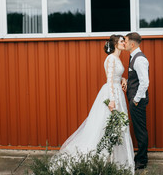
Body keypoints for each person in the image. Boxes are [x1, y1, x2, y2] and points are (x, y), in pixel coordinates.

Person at [52, 35, 135, 173]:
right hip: (111, 94)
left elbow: (115, 76)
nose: (124, 43)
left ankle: (116, 159)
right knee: (104, 126)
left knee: (116, 127)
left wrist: (123, 78)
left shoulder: (117, 58)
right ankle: (96, 158)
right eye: (121, 41)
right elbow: (109, 80)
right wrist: (112, 100)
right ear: (115, 44)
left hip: (117, 92)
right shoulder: (111, 58)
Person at [122, 32, 149, 170]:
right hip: (135, 99)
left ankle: (142, 160)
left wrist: (136, 100)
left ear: (132, 44)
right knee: (139, 129)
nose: (124, 43)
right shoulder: (134, 57)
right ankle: (140, 157)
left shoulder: (139, 59)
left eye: (125, 41)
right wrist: (127, 80)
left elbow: (144, 83)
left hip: (137, 101)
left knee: (140, 130)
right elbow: (136, 79)